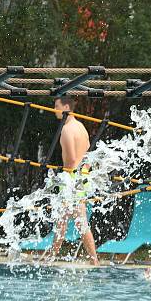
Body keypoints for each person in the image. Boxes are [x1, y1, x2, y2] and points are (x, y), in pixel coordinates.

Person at [42, 96, 99, 266]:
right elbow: (88, 157)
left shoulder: (67, 130)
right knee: (65, 220)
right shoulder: (81, 127)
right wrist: (83, 176)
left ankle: (93, 259)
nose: (54, 109)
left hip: (72, 178)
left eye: (56, 106)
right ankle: (52, 256)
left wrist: (62, 180)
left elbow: (72, 159)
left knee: (76, 222)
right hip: (81, 176)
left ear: (66, 106)